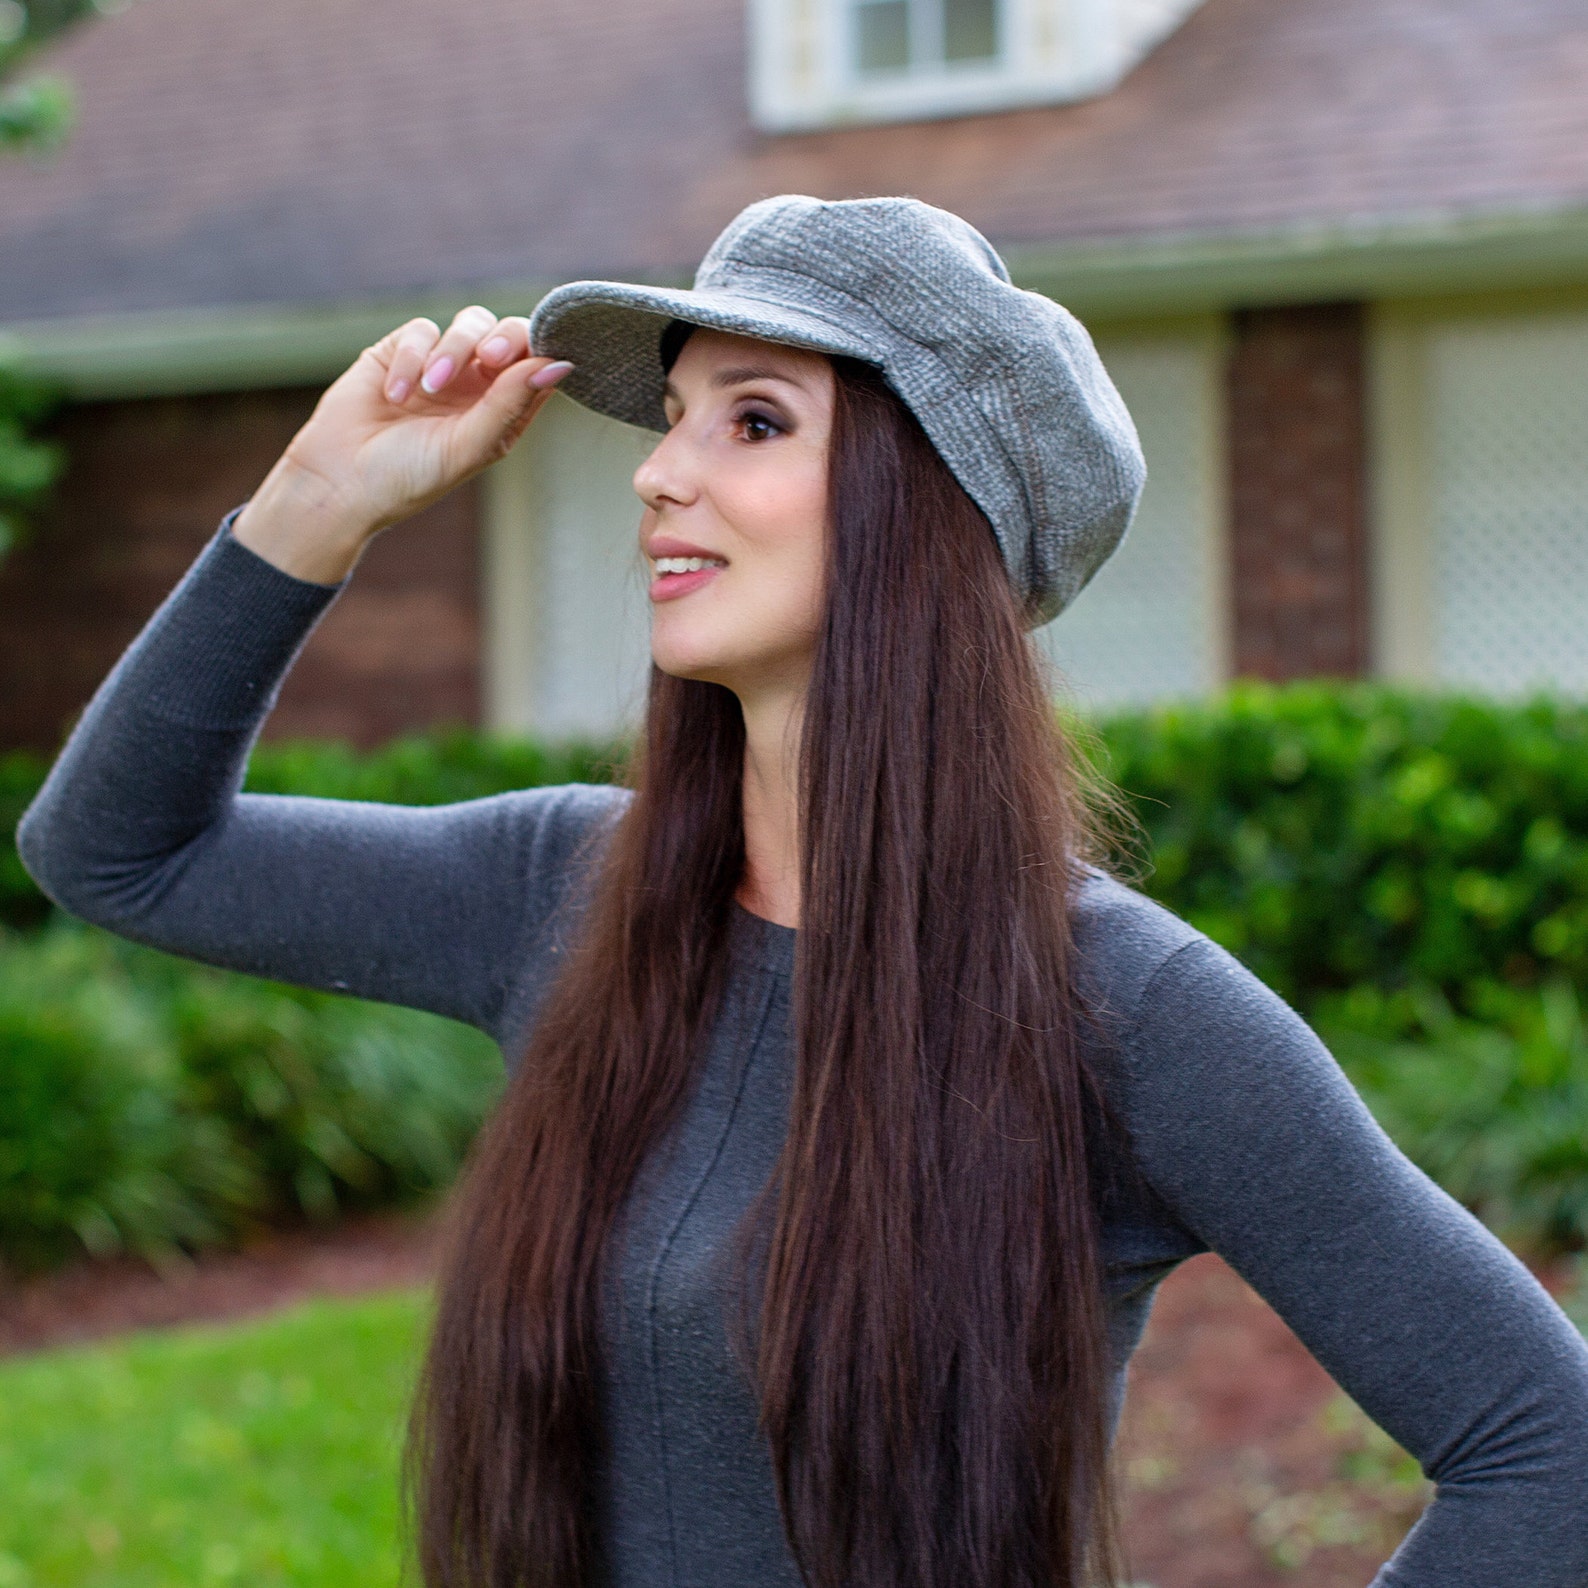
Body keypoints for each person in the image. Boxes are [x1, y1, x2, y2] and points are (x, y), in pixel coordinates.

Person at [16, 194, 1588, 1588]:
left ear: (927, 519)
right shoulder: (564, 889)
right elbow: (119, 850)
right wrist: (313, 500)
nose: (659, 478)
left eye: (753, 423)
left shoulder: (1124, 1010)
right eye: (672, 420)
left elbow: (1545, 1449)